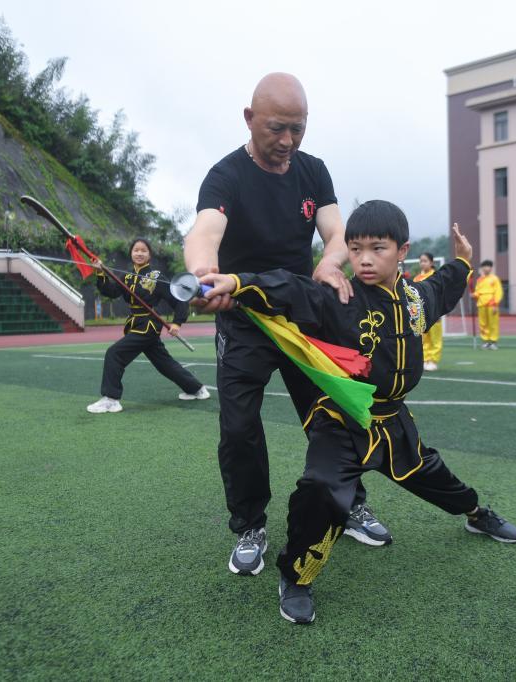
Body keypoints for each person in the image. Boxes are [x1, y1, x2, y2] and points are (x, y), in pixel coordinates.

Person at [200, 201, 516, 624]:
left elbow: (445, 284)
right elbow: (291, 289)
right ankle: (295, 578)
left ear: (402, 250)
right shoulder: (339, 297)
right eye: (355, 249)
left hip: (393, 422)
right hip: (341, 422)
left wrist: (463, 260)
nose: (365, 259)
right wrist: (238, 283)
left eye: (378, 248)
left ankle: (476, 515)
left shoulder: (415, 298)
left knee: (434, 475)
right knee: (321, 490)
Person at [184, 72, 391, 576]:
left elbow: (337, 231)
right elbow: (205, 230)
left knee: (333, 415)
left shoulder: (312, 171)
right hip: (244, 319)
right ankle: (250, 525)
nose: (288, 142)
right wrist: (203, 276)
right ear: (250, 119)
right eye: (277, 128)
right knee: (238, 429)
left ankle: (351, 504)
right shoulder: (225, 176)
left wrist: (330, 262)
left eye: (298, 129)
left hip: (301, 317)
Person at [86, 238, 209, 413]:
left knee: (114, 353)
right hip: (135, 324)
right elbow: (111, 292)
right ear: (131, 253)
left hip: (148, 326)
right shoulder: (126, 276)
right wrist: (100, 273)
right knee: (164, 363)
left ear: (149, 254)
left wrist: (177, 322)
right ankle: (197, 389)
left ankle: (111, 399)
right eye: (136, 250)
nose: (139, 253)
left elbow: (178, 299)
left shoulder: (157, 276)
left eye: (143, 250)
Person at [413, 252, 443, 370]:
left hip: (434, 311)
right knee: (424, 338)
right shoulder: (416, 278)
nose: (423, 263)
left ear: (431, 263)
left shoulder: (436, 276)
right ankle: (425, 359)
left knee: (435, 337)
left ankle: (433, 360)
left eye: (425, 261)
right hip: (421, 313)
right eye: (421, 261)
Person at [473, 259, 503, 350]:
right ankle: (486, 341)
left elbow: (498, 292)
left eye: (488, 266)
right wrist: (474, 295)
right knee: (483, 324)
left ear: (491, 268)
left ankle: (493, 342)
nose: (486, 268)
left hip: (491, 303)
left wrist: (495, 304)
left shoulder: (494, 279)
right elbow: (478, 291)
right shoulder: (479, 280)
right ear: (482, 268)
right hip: (481, 304)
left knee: (493, 323)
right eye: (484, 266)